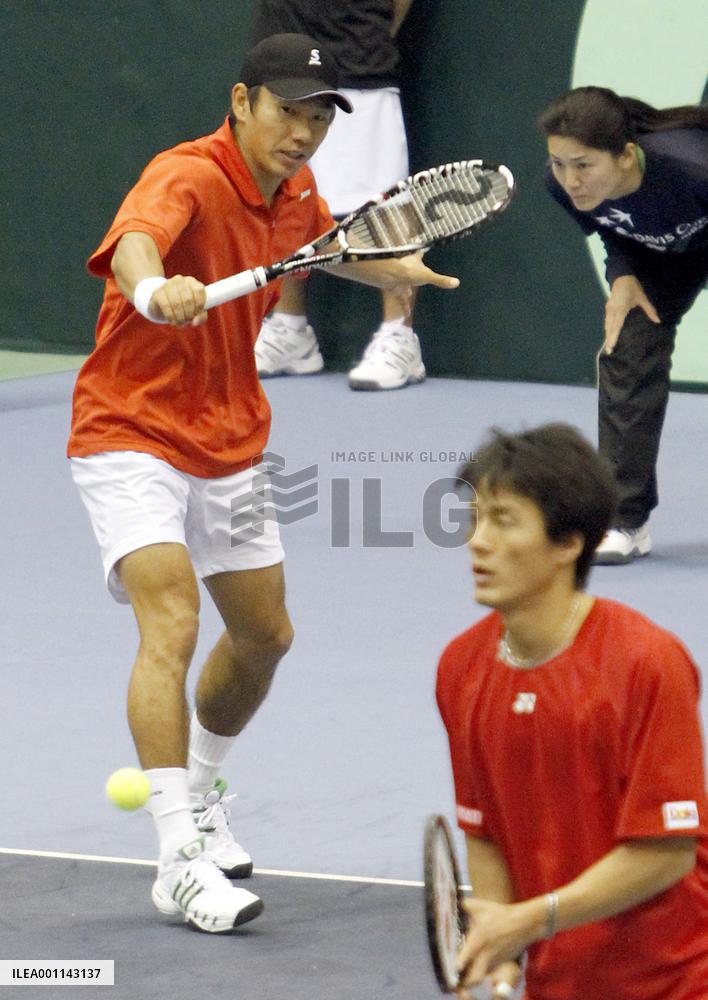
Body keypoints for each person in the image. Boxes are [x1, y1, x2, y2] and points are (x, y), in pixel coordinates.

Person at [67, 32, 458, 934]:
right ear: (242, 101)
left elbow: (313, 253)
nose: (306, 131)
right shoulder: (188, 173)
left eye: (321, 117)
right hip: (129, 430)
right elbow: (135, 240)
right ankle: (176, 858)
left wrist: (384, 269)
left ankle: (202, 793)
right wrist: (155, 285)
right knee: (172, 616)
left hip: (231, 436)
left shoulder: (295, 190)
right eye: (290, 111)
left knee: (265, 636)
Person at [436, 423, 708, 999]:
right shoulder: (460, 668)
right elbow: (484, 828)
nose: (478, 541)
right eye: (475, 517)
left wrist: (530, 921)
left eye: (504, 520)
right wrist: (501, 949)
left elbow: (667, 853)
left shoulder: (647, 663)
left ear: (569, 543)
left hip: (678, 982)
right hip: (559, 983)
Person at [537, 86, 708, 565]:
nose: (570, 179)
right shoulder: (560, 185)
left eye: (583, 165)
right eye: (559, 163)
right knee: (626, 350)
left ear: (627, 156)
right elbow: (613, 224)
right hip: (663, 257)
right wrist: (623, 274)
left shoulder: (694, 166)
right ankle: (625, 520)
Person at [249, 0, 423, 390]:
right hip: (279, 57)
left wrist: (366, 29)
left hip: (357, 61)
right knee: (284, 198)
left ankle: (401, 336)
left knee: (385, 210)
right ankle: (290, 328)